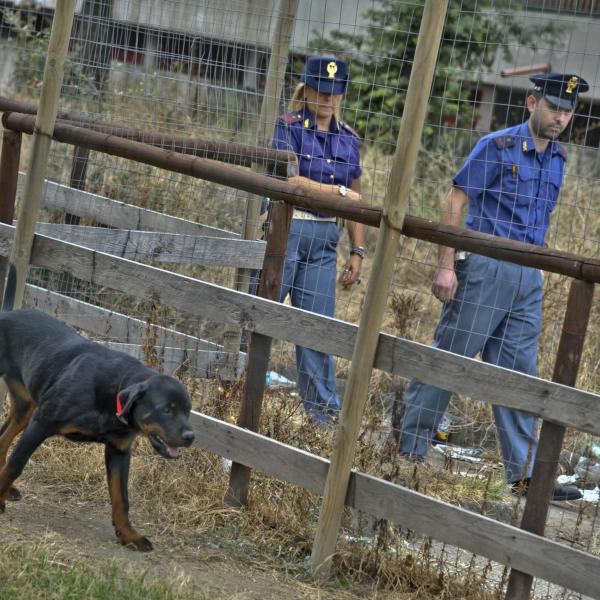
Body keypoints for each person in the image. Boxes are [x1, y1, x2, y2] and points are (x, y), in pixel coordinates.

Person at [398, 73, 588, 501]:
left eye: (567, 110)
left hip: (528, 275)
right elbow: (456, 200)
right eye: (553, 107)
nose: (560, 117)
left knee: (519, 375)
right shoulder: (497, 146)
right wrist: (446, 264)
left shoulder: (557, 158)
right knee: (452, 357)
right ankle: (409, 450)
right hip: (486, 266)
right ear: (532, 103)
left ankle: (523, 474)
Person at [270, 56, 366, 424]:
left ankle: (323, 418)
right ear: (307, 90)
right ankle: (233, 386)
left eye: (334, 93)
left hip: (326, 238)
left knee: (317, 331)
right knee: (263, 311)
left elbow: (358, 200)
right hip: (289, 230)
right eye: (321, 91)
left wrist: (357, 250)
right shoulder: (288, 126)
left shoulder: (350, 140)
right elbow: (290, 180)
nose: (327, 99)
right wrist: (338, 192)